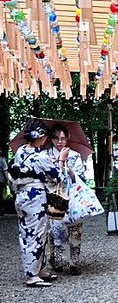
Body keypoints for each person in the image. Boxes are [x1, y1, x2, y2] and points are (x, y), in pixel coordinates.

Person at [9, 119, 64, 288]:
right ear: (40, 137)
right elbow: (58, 177)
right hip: (35, 198)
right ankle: (32, 274)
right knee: (36, 234)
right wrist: (60, 161)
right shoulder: (41, 157)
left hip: (21, 197)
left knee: (27, 233)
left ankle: (38, 269)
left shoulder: (20, 152)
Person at [47, 125, 89, 275]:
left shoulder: (75, 155)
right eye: (56, 138)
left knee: (75, 229)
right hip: (54, 197)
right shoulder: (46, 155)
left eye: (63, 138)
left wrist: (68, 168)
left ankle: (74, 262)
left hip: (73, 197)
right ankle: (57, 259)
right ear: (51, 139)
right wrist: (56, 162)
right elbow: (46, 177)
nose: (60, 141)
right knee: (55, 230)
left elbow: (81, 177)